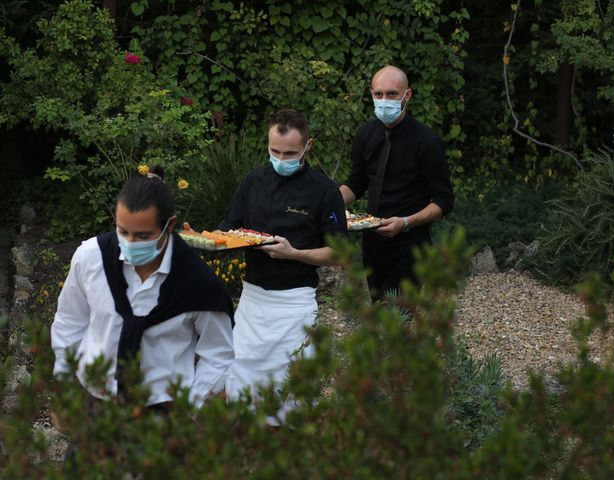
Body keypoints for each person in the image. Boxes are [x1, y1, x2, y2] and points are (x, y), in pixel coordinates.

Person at [51, 167, 234, 410]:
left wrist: (191, 404)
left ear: (170, 225)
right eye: (122, 231)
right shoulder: (92, 259)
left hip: (161, 412)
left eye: (142, 235)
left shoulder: (197, 284)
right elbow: (70, 321)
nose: (130, 243)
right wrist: (63, 386)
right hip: (95, 403)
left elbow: (219, 353)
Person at [219, 109, 347, 422]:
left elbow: (339, 254)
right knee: (241, 371)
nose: (281, 158)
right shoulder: (253, 182)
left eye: (290, 153)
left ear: (307, 147)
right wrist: (206, 238)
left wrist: (295, 253)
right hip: (252, 299)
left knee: (290, 382)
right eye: (274, 151)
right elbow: (229, 230)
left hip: (295, 302)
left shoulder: (325, 191)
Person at [340, 65, 455, 301]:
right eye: (378, 94)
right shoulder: (365, 135)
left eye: (392, 94)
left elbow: (444, 200)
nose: (384, 100)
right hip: (371, 241)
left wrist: (405, 223)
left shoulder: (427, 141)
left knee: (400, 318)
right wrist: (326, 202)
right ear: (371, 94)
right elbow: (356, 184)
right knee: (378, 307)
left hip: (410, 243)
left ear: (407, 96)